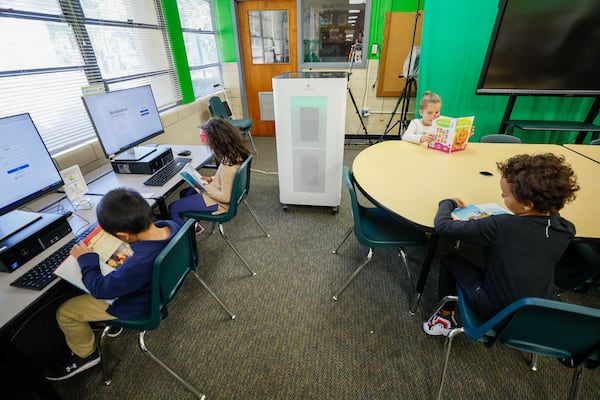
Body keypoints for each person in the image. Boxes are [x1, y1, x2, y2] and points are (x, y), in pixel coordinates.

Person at [423, 153, 579, 336]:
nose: (502, 196)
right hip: (538, 310)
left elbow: (443, 227)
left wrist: (447, 203)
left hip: (495, 310)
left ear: (528, 204)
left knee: (450, 259)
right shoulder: (565, 228)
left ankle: (444, 317)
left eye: (505, 195)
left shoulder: (501, 225)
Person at [44, 188, 179, 380]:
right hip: (159, 287)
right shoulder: (172, 226)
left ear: (123, 235)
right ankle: (100, 323)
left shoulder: (139, 264)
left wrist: (87, 260)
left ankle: (86, 354)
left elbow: (100, 289)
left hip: (136, 304)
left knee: (66, 312)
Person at [168, 117, 250, 229]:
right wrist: (211, 179)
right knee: (185, 193)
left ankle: (186, 241)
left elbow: (226, 198)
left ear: (216, 141)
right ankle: (193, 225)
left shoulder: (228, 167)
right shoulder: (233, 155)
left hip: (220, 203)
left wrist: (206, 188)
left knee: (173, 207)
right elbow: (227, 179)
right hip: (217, 190)